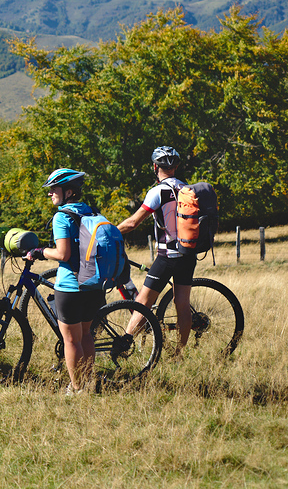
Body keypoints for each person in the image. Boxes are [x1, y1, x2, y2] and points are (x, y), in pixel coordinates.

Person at [26, 168, 104, 395]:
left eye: (53, 189)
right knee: (86, 334)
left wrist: (39, 251)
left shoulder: (62, 216)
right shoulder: (91, 212)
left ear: (68, 191)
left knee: (71, 340)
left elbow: (63, 254)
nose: (50, 194)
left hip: (71, 286)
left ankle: (78, 388)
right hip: (94, 284)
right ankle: (88, 382)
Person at [116, 145, 194, 353]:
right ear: (176, 166)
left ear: (154, 167)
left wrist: (111, 232)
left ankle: (124, 344)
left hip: (167, 256)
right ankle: (179, 353)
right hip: (188, 254)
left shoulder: (158, 191)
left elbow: (133, 223)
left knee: (143, 301)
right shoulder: (188, 189)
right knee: (182, 304)